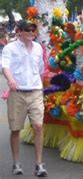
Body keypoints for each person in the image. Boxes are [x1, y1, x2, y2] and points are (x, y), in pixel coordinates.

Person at [1, 21, 47, 177]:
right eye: (28, 30)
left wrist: (41, 86)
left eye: (34, 31)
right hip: (17, 93)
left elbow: (40, 69)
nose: (31, 33)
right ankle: (16, 163)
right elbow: (5, 66)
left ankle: (39, 164)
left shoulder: (38, 48)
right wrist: (10, 80)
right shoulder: (9, 48)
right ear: (19, 31)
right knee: (15, 129)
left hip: (35, 92)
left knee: (38, 126)